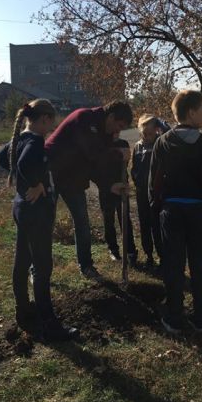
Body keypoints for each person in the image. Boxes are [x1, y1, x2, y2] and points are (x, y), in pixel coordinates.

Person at [0, 100, 78, 341]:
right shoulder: (34, 141)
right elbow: (22, 163)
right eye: (51, 121)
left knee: (22, 261)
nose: (52, 126)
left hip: (22, 208)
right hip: (36, 213)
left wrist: (24, 184)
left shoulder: (19, 138)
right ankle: (49, 325)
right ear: (44, 119)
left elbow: (2, 158)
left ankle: (23, 310)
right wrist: (35, 183)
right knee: (43, 268)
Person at [149, 90, 202, 334]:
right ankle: (200, 317)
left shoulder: (163, 141)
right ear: (191, 112)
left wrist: (157, 204)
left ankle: (174, 316)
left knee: (173, 263)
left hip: (171, 210)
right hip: (199, 210)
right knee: (200, 263)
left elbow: (155, 181)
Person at [45, 101, 133, 279]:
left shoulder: (106, 134)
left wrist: (110, 185)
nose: (118, 132)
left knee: (82, 222)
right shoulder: (83, 118)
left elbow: (97, 165)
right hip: (50, 173)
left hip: (73, 178)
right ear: (111, 117)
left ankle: (86, 266)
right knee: (45, 223)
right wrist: (117, 153)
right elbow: (92, 152)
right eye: (119, 125)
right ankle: (37, 268)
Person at [98, 133, 137, 264]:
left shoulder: (123, 143)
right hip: (106, 187)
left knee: (125, 218)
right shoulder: (102, 144)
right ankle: (113, 250)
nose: (116, 132)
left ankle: (130, 250)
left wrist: (124, 155)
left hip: (122, 184)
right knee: (108, 219)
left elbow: (126, 162)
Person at [131, 114, 163, 269]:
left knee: (157, 224)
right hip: (142, 192)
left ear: (156, 130)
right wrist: (137, 180)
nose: (147, 137)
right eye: (144, 134)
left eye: (150, 133)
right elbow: (134, 168)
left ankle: (163, 255)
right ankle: (149, 254)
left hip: (157, 192)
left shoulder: (161, 143)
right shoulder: (137, 147)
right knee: (145, 224)